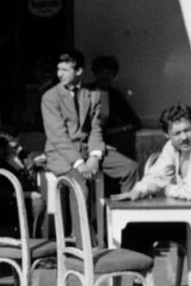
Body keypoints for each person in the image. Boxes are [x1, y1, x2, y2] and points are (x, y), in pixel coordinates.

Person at [112, 106, 191, 286]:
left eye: (187, 130)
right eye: (177, 133)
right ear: (167, 134)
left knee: (141, 229)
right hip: (185, 210)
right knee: (134, 227)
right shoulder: (171, 147)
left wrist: (168, 189)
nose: (184, 137)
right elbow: (156, 175)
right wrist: (138, 191)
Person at [42, 50, 139, 196]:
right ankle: (80, 220)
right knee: (81, 190)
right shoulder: (50, 97)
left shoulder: (92, 95)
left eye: (65, 70)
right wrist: (79, 163)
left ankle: (122, 215)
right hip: (62, 154)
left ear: (79, 71)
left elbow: (95, 129)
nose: (59, 74)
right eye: (58, 69)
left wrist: (94, 156)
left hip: (87, 149)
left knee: (130, 168)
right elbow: (58, 137)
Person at [88, 55, 141, 159]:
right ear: (95, 74)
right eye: (101, 72)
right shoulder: (85, 92)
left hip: (107, 143)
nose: (105, 76)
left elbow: (135, 123)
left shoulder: (116, 96)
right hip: (86, 142)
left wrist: (116, 130)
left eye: (109, 73)